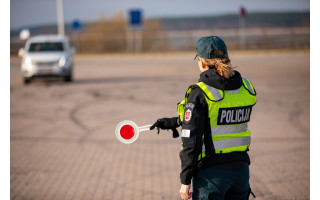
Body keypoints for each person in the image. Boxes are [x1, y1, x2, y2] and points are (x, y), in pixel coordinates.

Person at [150, 36, 257, 200]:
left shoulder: (200, 92)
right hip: (241, 172)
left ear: (200, 62)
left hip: (211, 176)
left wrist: (185, 181)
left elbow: (191, 141)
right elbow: (218, 118)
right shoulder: (246, 87)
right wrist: (174, 122)